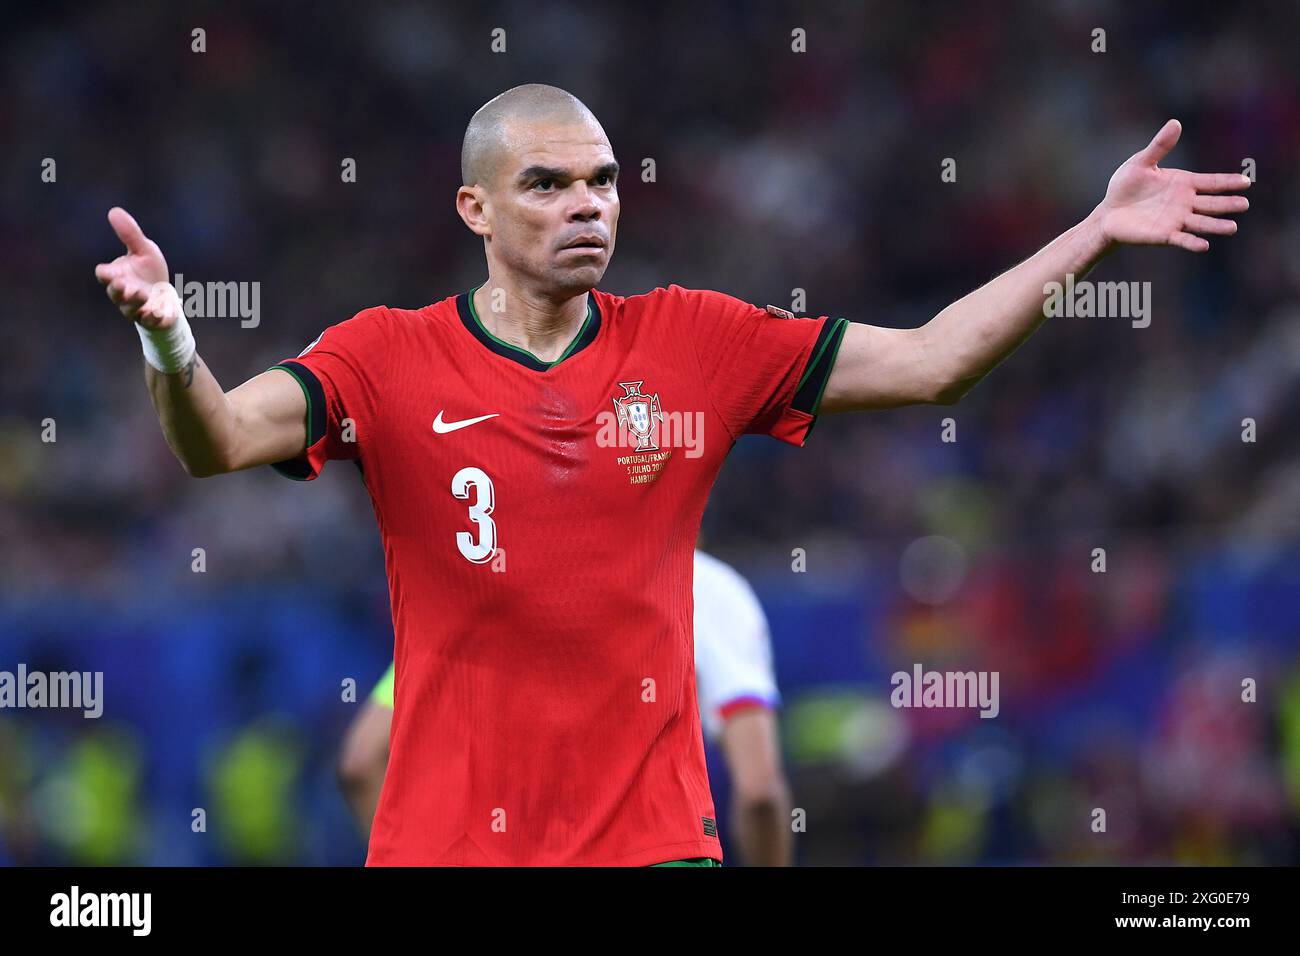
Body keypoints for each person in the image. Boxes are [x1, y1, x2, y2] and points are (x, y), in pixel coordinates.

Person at [93, 83, 1248, 865]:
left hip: (654, 847)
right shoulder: (384, 356)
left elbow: (933, 361)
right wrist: (169, 342)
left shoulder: (697, 339)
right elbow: (219, 439)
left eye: (599, 180)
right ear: (475, 208)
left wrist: (1092, 230)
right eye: (547, 183)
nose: (585, 203)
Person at [338, 548, 793, 865]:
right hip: (648, 851)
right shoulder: (705, 586)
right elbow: (760, 791)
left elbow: (361, 760)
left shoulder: (486, 592)